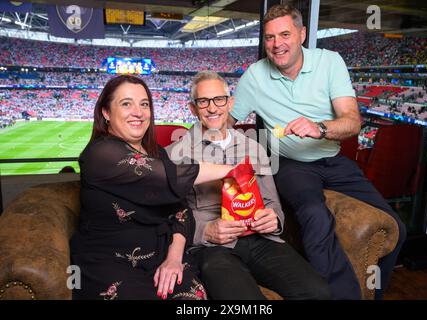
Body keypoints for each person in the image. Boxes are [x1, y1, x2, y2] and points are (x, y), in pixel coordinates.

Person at [229, 4, 406, 299]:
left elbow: (352, 122)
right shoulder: (254, 76)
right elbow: (223, 122)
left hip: (333, 159)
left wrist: (319, 128)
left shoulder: (329, 61)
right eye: (269, 37)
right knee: (315, 215)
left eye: (284, 34)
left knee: (395, 226)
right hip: (289, 163)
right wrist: (198, 117)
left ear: (302, 34)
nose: (276, 44)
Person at [166, 71, 330, 300]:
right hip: (213, 248)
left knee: (319, 292)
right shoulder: (174, 155)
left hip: (261, 241)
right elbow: (170, 218)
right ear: (193, 109)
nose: (212, 108)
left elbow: (272, 202)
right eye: (203, 102)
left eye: (219, 100)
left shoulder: (254, 148)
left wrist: (274, 218)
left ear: (230, 103)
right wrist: (205, 232)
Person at [70, 75, 235, 300]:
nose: (138, 112)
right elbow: (172, 177)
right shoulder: (99, 154)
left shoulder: (158, 153)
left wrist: (174, 258)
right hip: (110, 263)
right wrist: (233, 170)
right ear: (106, 113)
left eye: (144, 104)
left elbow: (182, 210)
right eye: (126, 103)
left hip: (162, 256)